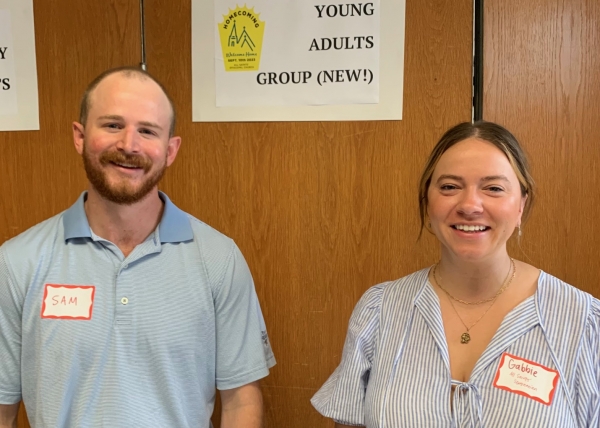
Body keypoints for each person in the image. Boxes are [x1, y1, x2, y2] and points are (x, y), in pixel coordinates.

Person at [0, 66, 275, 428]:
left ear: (170, 150)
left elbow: (241, 403)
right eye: (113, 125)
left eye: (147, 131)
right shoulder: (17, 261)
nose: (129, 145)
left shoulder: (219, 259)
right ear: (80, 136)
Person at [311, 121, 599, 427]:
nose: (470, 205)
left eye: (493, 188)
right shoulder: (380, 311)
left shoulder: (584, 324)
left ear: (520, 207)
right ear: (427, 204)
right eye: (449, 187)